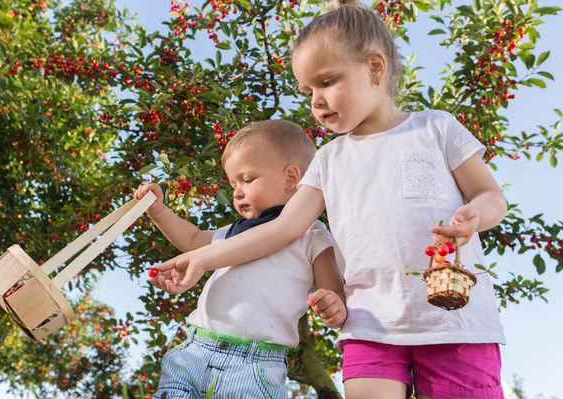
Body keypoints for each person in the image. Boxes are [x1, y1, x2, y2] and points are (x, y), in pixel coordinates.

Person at [154, 2, 509, 398]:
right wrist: (202, 258)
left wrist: (475, 215)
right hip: (370, 326)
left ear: (375, 68)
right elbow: (284, 228)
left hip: (457, 320)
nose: (316, 101)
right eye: (308, 91)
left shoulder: (436, 129)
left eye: (326, 82)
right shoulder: (328, 160)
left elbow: (490, 195)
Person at [135, 119, 346, 399]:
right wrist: (158, 211)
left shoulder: (311, 233)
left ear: (290, 178)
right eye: (233, 183)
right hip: (196, 350)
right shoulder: (232, 233)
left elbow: (332, 289)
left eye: (247, 179)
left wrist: (333, 306)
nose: (236, 191)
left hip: (254, 365)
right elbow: (192, 239)